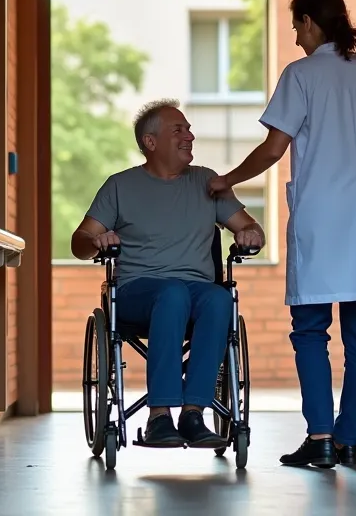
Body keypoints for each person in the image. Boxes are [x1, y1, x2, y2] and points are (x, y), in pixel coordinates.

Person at [208, 0, 356, 468]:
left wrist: (226, 180)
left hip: (322, 214)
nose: (296, 37)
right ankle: (348, 439)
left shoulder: (302, 75)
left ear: (311, 21)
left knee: (311, 330)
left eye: (297, 26)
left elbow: (274, 149)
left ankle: (320, 437)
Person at [71, 98, 266, 449]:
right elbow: (79, 241)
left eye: (189, 129)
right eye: (179, 130)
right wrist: (98, 241)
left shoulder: (207, 182)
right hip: (137, 292)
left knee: (221, 300)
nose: (189, 135)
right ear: (151, 142)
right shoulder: (120, 186)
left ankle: (193, 414)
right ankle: (159, 415)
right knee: (172, 294)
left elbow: (249, 226)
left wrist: (250, 233)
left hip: (197, 292)